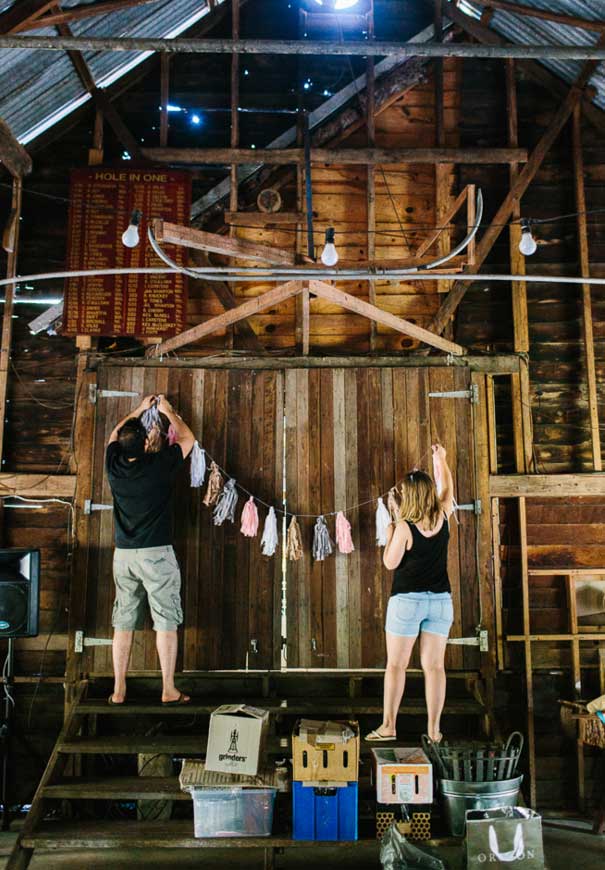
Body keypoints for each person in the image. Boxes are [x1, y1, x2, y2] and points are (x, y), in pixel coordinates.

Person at [105, 394, 195, 706]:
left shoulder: (113, 466)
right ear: (146, 444)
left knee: (123, 620)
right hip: (156, 554)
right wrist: (167, 410)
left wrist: (139, 410)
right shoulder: (159, 465)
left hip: (125, 555)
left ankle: (119, 690)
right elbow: (188, 439)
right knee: (166, 619)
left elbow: (114, 435)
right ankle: (168, 689)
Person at [366, 444, 455, 744]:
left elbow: (390, 563)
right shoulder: (443, 515)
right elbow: (448, 490)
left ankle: (389, 725)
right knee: (435, 667)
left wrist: (390, 532)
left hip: (407, 602)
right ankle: (434, 730)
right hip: (441, 602)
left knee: (396, 666)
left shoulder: (404, 527)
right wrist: (441, 461)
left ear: (409, 497)